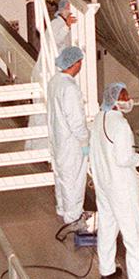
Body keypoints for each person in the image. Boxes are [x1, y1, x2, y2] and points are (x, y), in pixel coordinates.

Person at [89, 82, 139, 279]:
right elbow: (123, 158)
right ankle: (136, 278)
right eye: (125, 97)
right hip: (121, 186)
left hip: (104, 183)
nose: (129, 100)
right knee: (131, 230)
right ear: (115, 100)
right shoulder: (121, 125)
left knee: (107, 227)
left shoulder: (99, 118)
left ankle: (106, 271)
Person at [47, 46, 91, 230]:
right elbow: (76, 121)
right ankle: (73, 218)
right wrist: (86, 141)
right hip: (71, 143)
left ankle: (63, 210)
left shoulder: (54, 81)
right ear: (76, 63)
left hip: (58, 140)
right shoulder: (70, 88)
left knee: (61, 178)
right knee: (73, 182)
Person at [25, 0, 78, 151]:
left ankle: (34, 147)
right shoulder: (56, 24)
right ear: (65, 8)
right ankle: (39, 148)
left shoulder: (58, 24)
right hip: (46, 75)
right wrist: (67, 27)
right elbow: (55, 41)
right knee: (42, 115)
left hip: (47, 74)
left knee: (41, 115)